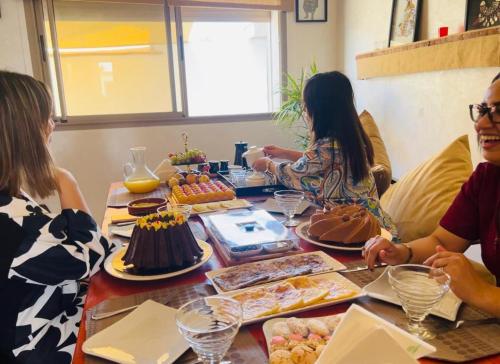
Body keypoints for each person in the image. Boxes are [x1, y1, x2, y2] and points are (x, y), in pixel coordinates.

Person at [0, 71, 116, 363]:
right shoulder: (9, 222)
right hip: (41, 344)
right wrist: (66, 179)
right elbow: (91, 253)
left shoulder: (10, 201)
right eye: (46, 118)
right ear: (23, 132)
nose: (51, 126)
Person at [363, 73, 500, 318]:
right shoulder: (486, 177)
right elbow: (444, 241)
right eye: (482, 110)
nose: (480, 124)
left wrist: (481, 292)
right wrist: (402, 251)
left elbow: (480, 292)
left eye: (498, 111)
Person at [253, 71, 397, 237]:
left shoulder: (327, 146)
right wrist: (284, 153)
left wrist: (268, 165)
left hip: (351, 227)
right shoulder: (351, 140)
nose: (306, 113)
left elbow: (295, 174)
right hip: (374, 223)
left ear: (320, 111)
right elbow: (317, 161)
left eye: (307, 107)